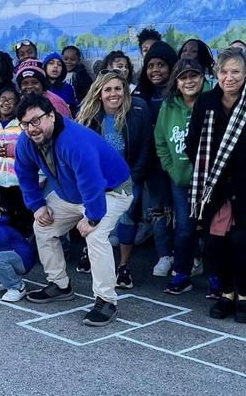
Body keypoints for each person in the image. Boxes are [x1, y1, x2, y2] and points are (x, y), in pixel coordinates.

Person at [15, 93, 134, 326]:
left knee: (96, 236)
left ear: (51, 115)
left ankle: (106, 301)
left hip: (111, 190)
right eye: (25, 124)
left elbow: (93, 183)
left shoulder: (75, 141)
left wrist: (92, 218)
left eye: (36, 120)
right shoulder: (26, 141)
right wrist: (37, 205)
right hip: (72, 194)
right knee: (42, 227)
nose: (31, 128)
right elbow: (25, 173)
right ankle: (59, 285)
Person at [186, 48, 246, 323]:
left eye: (235, 71)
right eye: (224, 72)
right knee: (215, 243)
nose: (229, 77)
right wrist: (209, 172)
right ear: (217, 74)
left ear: (245, 73)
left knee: (241, 243)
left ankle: (244, 295)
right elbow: (193, 143)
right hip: (213, 187)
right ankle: (226, 293)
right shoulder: (206, 102)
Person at [76, 69, 152, 289]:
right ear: (99, 93)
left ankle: (124, 266)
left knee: (128, 219)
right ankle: (89, 252)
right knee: (94, 216)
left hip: (129, 177)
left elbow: (146, 146)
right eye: (107, 89)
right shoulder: (89, 115)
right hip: (98, 180)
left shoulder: (139, 109)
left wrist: (135, 176)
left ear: (125, 90)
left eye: (118, 88)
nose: (113, 94)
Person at [154, 58, 209, 294]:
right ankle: (182, 274)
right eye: (183, 77)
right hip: (181, 179)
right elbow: (160, 141)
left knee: (213, 230)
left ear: (202, 77)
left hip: (210, 180)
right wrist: (172, 169)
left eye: (193, 76)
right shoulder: (168, 106)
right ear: (176, 82)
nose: (189, 81)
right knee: (185, 228)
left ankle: (217, 278)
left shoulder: (213, 100)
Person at [136, 40, 180, 276]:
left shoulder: (181, 93)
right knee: (159, 208)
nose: (155, 70)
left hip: (179, 162)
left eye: (161, 65)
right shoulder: (141, 95)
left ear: (172, 66)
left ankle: (186, 255)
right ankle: (164, 255)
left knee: (182, 210)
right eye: (150, 65)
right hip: (153, 163)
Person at [0, 86, 32, 236]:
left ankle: (26, 241)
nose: (6, 102)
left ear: (18, 104)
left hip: (19, 179)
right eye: (2, 99)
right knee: (8, 214)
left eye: (10, 100)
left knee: (24, 214)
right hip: (3, 178)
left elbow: (29, 148)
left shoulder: (21, 124)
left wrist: (12, 150)